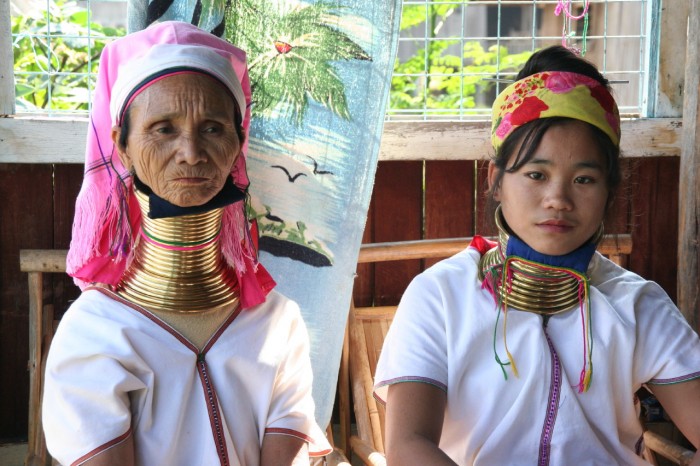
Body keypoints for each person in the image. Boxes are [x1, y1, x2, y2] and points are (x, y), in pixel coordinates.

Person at [374, 45, 700, 465]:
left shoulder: (636, 303)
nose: (558, 199)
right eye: (536, 174)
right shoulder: (440, 295)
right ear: (496, 180)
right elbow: (407, 445)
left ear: (609, 190)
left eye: (584, 178)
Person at [42, 21, 331, 466]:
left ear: (238, 143)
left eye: (213, 128)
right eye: (163, 128)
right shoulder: (96, 333)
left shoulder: (278, 323)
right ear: (122, 145)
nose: (191, 152)